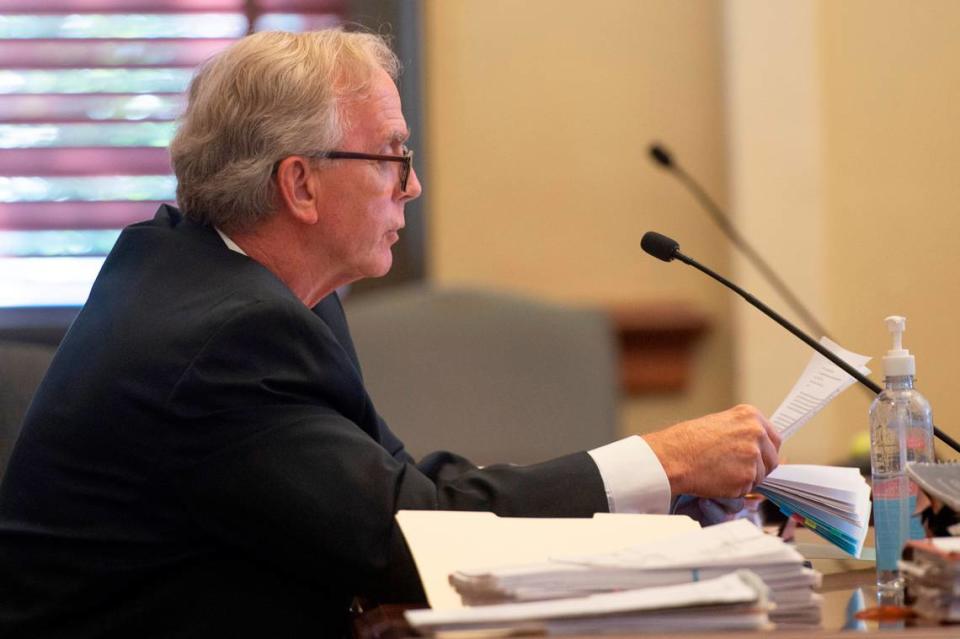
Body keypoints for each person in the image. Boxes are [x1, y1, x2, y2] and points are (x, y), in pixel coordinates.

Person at [0, 30, 780, 638]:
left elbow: (393, 487)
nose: (413, 185)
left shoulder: (233, 282)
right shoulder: (226, 333)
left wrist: (652, 500)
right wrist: (663, 459)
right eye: (392, 157)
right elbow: (408, 532)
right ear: (299, 183)